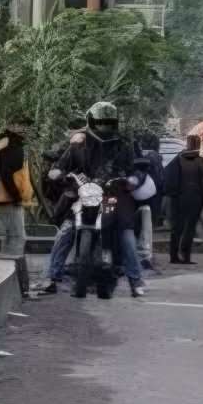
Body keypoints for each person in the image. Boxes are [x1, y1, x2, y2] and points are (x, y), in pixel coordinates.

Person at [43, 101, 148, 298]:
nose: (104, 127)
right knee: (66, 230)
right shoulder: (79, 143)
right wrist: (58, 172)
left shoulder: (125, 143)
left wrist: (133, 179)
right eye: (100, 122)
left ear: (115, 123)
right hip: (84, 192)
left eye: (108, 123)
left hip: (115, 193)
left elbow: (137, 167)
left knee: (126, 234)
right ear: (91, 121)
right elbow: (62, 163)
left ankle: (136, 281)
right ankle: (51, 277)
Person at [0, 114, 36, 256]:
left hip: (5, 195)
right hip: (9, 197)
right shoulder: (10, 144)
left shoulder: (5, 141)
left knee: (8, 235)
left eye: (25, 125)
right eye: (20, 124)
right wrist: (17, 196)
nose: (24, 128)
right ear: (9, 124)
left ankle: (6, 265)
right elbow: (7, 174)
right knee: (17, 237)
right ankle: (13, 270)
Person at [163, 134, 203, 264]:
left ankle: (173, 256)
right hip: (195, 199)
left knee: (177, 228)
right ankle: (186, 257)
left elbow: (168, 178)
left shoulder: (177, 160)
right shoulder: (201, 162)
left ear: (187, 144)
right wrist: (202, 198)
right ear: (198, 145)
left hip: (178, 198)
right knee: (190, 228)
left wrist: (173, 195)